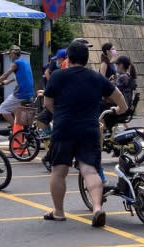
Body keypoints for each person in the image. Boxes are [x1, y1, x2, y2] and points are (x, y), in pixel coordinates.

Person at [42, 41, 128, 226]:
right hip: (89, 128)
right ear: (86, 59)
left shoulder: (57, 76)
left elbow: (47, 103)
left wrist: (60, 113)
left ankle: (58, 212)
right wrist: (121, 109)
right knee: (89, 169)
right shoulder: (96, 77)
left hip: (64, 127)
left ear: (68, 59)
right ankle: (97, 207)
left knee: (59, 170)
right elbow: (118, 96)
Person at [0, 45, 35, 126]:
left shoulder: (16, 63)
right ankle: (21, 127)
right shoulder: (25, 62)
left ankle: (16, 129)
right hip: (30, 92)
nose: (10, 56)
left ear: (14, 54)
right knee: (15, 109)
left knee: (2, 109)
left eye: (10, 54)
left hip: (21, 93)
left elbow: (5, 75)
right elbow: (23, 76)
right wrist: (9, 81)